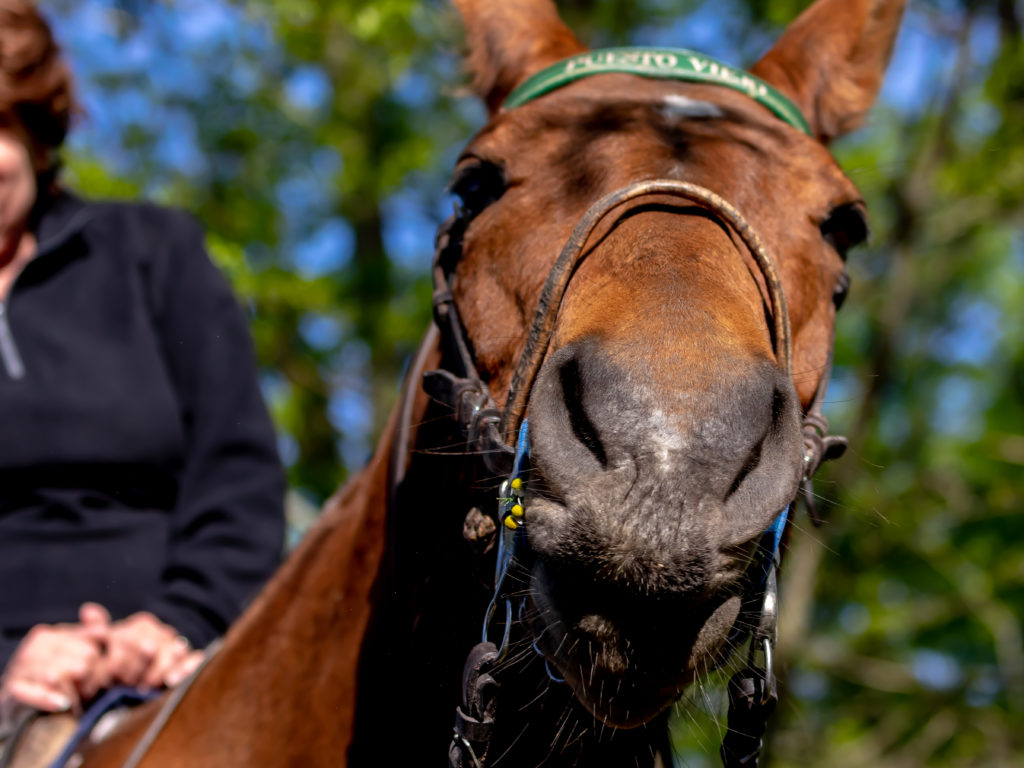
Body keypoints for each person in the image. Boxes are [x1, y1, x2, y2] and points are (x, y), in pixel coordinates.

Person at [0, 0, 285, 717]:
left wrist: (178, 622)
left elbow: (239, 477)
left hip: (177, 658)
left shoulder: (154, 256)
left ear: (35, 135)